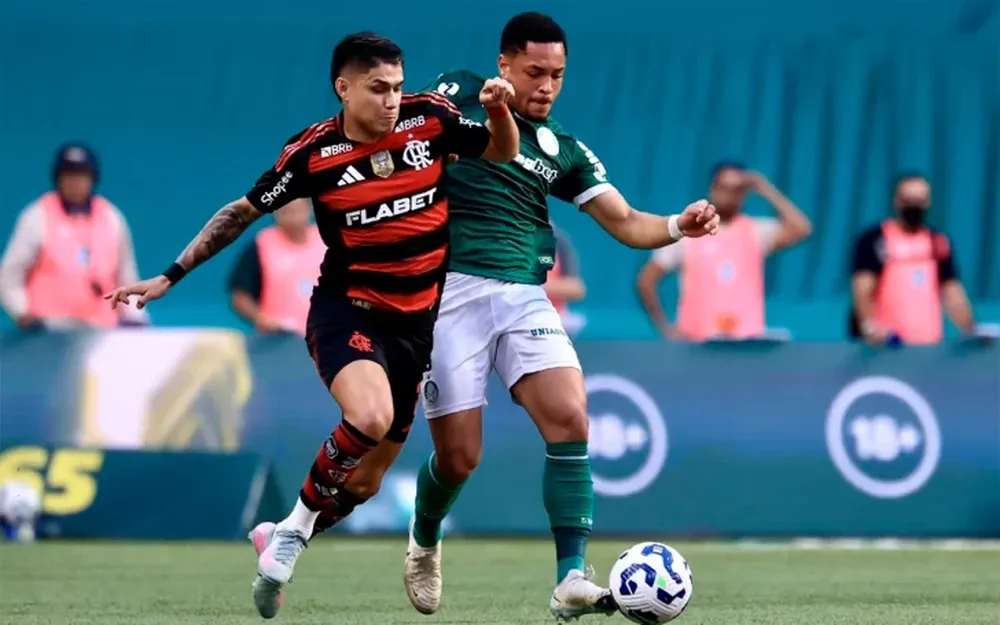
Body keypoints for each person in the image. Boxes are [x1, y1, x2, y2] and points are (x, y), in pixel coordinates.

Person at [298, 13, 720, 620]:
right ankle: (425, 537)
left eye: (558, 75)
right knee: (460, 456)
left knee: (571, 416)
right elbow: (393, 133)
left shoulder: (565, 151)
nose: (547, 85)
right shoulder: (457, 92)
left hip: (524, 295)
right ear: (503, 66)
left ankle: (570, 576)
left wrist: (680, 224)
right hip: (447, 294)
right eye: (534, 72)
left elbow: (628, 223)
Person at [104, 32, 519, 619]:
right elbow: (238, 215)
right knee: (369, 417)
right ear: (343, 89)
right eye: (379, 89)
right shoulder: (312, 154)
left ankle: (279, 533)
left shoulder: (432, 119)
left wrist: (499, 108)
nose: (393, 100)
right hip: (346, 311)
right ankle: (292, 536)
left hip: (415, 326)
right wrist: (169, 276)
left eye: (398, 87)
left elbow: (502, 151)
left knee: (365, 484)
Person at [636, 162, 811, 341]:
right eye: (724, 188)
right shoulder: (687, 233)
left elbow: (802, 228)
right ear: (713, 189)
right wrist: (665, 329)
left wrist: (765, 188)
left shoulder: (757, 232)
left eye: (737, 190)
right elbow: (646, 281)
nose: (730, 195)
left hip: (746, 345)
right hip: (696, 345)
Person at [0, 144, 147, 329]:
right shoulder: (37, 216)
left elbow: (127, 279)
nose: (75, 182)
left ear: (92, 178)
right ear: (58, 178)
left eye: (81, 175)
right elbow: (8, 277)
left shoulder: (111, 217)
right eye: (68, 175)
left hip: (104, 333)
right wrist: (22, 313)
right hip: (50, 334)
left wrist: (136, 317)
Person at [849, 173, 975, 345]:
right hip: (887, 347)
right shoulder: (876, 239)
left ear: (928, 202)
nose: (914, 207)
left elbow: (952, 292)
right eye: (908, 200)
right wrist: (870, 328)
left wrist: (971, 330)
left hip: (929, 347)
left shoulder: (937, 241)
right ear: (896, 201)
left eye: (920, 201)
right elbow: (862, 291)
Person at [227, 199, 324, 336]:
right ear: (276, 212)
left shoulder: (328, 241)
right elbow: (240, 296)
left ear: (309, 209)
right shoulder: (261, 245)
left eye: (297, 210)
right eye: (287, 211)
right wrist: (261, 319)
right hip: (277, 339)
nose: (293, 218)